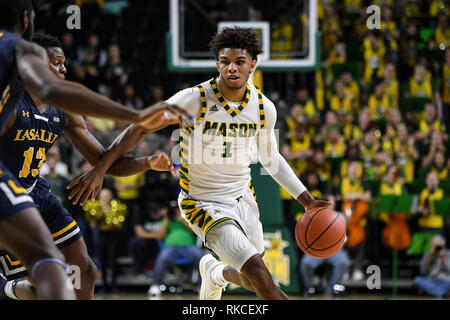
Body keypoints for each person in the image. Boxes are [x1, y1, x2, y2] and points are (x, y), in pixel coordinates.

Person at [68, 27, 332, 300]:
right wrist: (100, 168)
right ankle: (215, 272)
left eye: (239, 62)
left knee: (252, 278)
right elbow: (140, 128)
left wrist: (307, 201)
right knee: (263, 280)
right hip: (203, 203)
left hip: (243, 197)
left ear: (252, 64)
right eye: (225, 61)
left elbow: (270, 159)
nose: (231, 68)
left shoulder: (264, 108)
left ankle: (214, 273)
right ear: (217, 63)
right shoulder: (194, 99)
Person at [0, 0, 188, 300]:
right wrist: (137, 116)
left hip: (36, 190)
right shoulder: (13, 93)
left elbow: (107, 162)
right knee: (36, 278)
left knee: (84, 269)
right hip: (8, 188)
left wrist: (147, 162)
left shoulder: (64, 111)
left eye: (64, 63)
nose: (63, 69)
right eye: (55, 63)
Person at [147, 205, 204, 298]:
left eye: (178, 209)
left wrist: (182, 219)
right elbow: (160, 235)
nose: (175, 212)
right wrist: (166, 219)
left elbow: (196, 232)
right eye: (174, 210)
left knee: (200, 257)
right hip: (171, 247)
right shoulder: (166, 220)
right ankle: (155, 286)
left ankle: (202, 287)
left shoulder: (188, 219)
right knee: (162, 258)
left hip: (188, 246)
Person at [300, 196, 351, 297]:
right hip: (317, 250)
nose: (331, 204)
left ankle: (330, 288)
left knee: (344, 261)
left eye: (333, 202)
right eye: (328, 202)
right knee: (305, 263)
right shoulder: (313, 216)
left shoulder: (341, 216)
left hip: (335, 250)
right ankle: (310, 288)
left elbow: (344, 237)